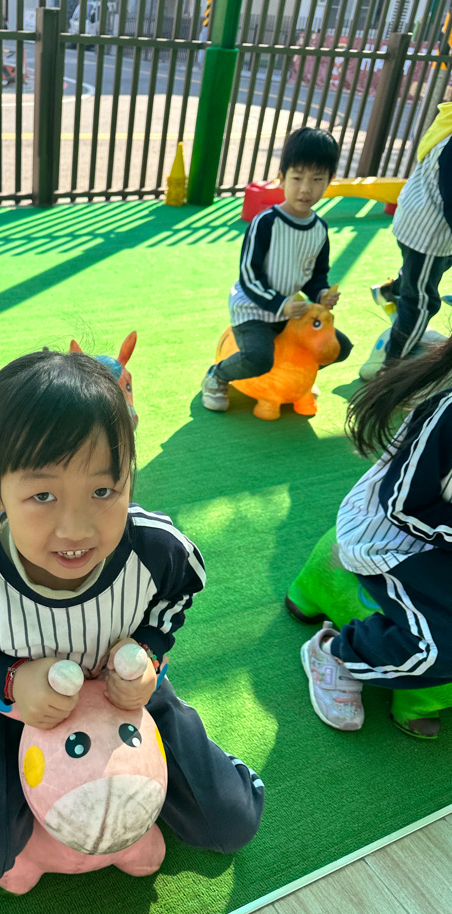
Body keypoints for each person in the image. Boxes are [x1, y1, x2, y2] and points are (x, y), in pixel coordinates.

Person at [0, 350, 265, 904]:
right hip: (5, 710)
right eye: (42, 496)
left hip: (123, 695)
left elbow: (173, 603)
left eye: (103, 491)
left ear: (130, 476)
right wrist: (10, 681)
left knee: (231, 823)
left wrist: (147, 657)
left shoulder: (158, 549)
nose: (76, 529)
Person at [301, 337, 452, 735]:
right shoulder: (447, 411)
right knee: (442, 645)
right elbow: (404, 504)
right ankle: (338, 652)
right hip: (396, 539)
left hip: (439, 542)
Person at [201, 126, 352, 412]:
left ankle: (299, 373)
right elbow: (250, 276)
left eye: (317, 179)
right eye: (297, 178)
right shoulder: (266, 222)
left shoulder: (319, 229)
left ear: (329, 181)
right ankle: (217, 375)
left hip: (293, 311)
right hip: (254, 308)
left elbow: (316, 276)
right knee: (259, 357)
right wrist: (280, 304)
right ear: (281, 178)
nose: (305, 188)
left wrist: (321, 294)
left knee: (339, 348)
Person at [367, 103, 452, 376]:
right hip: (429, 233)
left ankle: (389, 292)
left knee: (424, 273)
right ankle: (391, 368)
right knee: (422, 302)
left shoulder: (449, 119)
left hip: (418, 219)